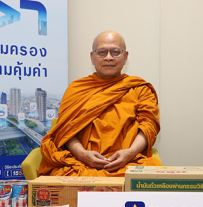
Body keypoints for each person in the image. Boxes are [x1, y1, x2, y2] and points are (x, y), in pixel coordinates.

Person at [37, 30, 162, 177]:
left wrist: (131, 152)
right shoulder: (76, 89)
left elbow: (149, 126)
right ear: (92, 57)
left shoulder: (139, 89)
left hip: (128, 163)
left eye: (115, 52)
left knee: (148, 178)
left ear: (125, 57)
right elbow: (65, 131)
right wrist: (82, 154)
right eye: (102, 52)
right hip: (81, 164)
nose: (108, 57)